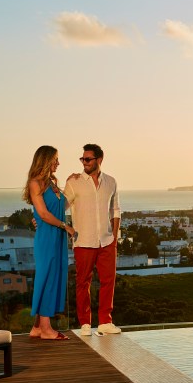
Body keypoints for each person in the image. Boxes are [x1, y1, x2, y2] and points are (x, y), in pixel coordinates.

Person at [64, 143, 121, 336]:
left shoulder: (111, 182)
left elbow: (115, 209)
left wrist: (114, 236)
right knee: (83, 283)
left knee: (108, 281)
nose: (84, 162)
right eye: (82, 159)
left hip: (106, 241)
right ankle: (85, 324)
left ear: (99, 160)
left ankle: (105, 321)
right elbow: (61, 205)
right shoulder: (74, 182)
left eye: (88, 159)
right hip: (83, 240)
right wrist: (40, 215)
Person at [23, 145, 75, 340]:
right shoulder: (35, 183)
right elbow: (43, 214)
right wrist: (66, 226)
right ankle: (46, 329)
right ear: (45, 160)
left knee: (53, 277)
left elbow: (62, 205)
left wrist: (71, 184)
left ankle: (37, 327)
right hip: (47, 237)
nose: (58, 163)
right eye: (55, 160)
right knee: (47, 278)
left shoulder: (52, 183)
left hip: (56, 236)